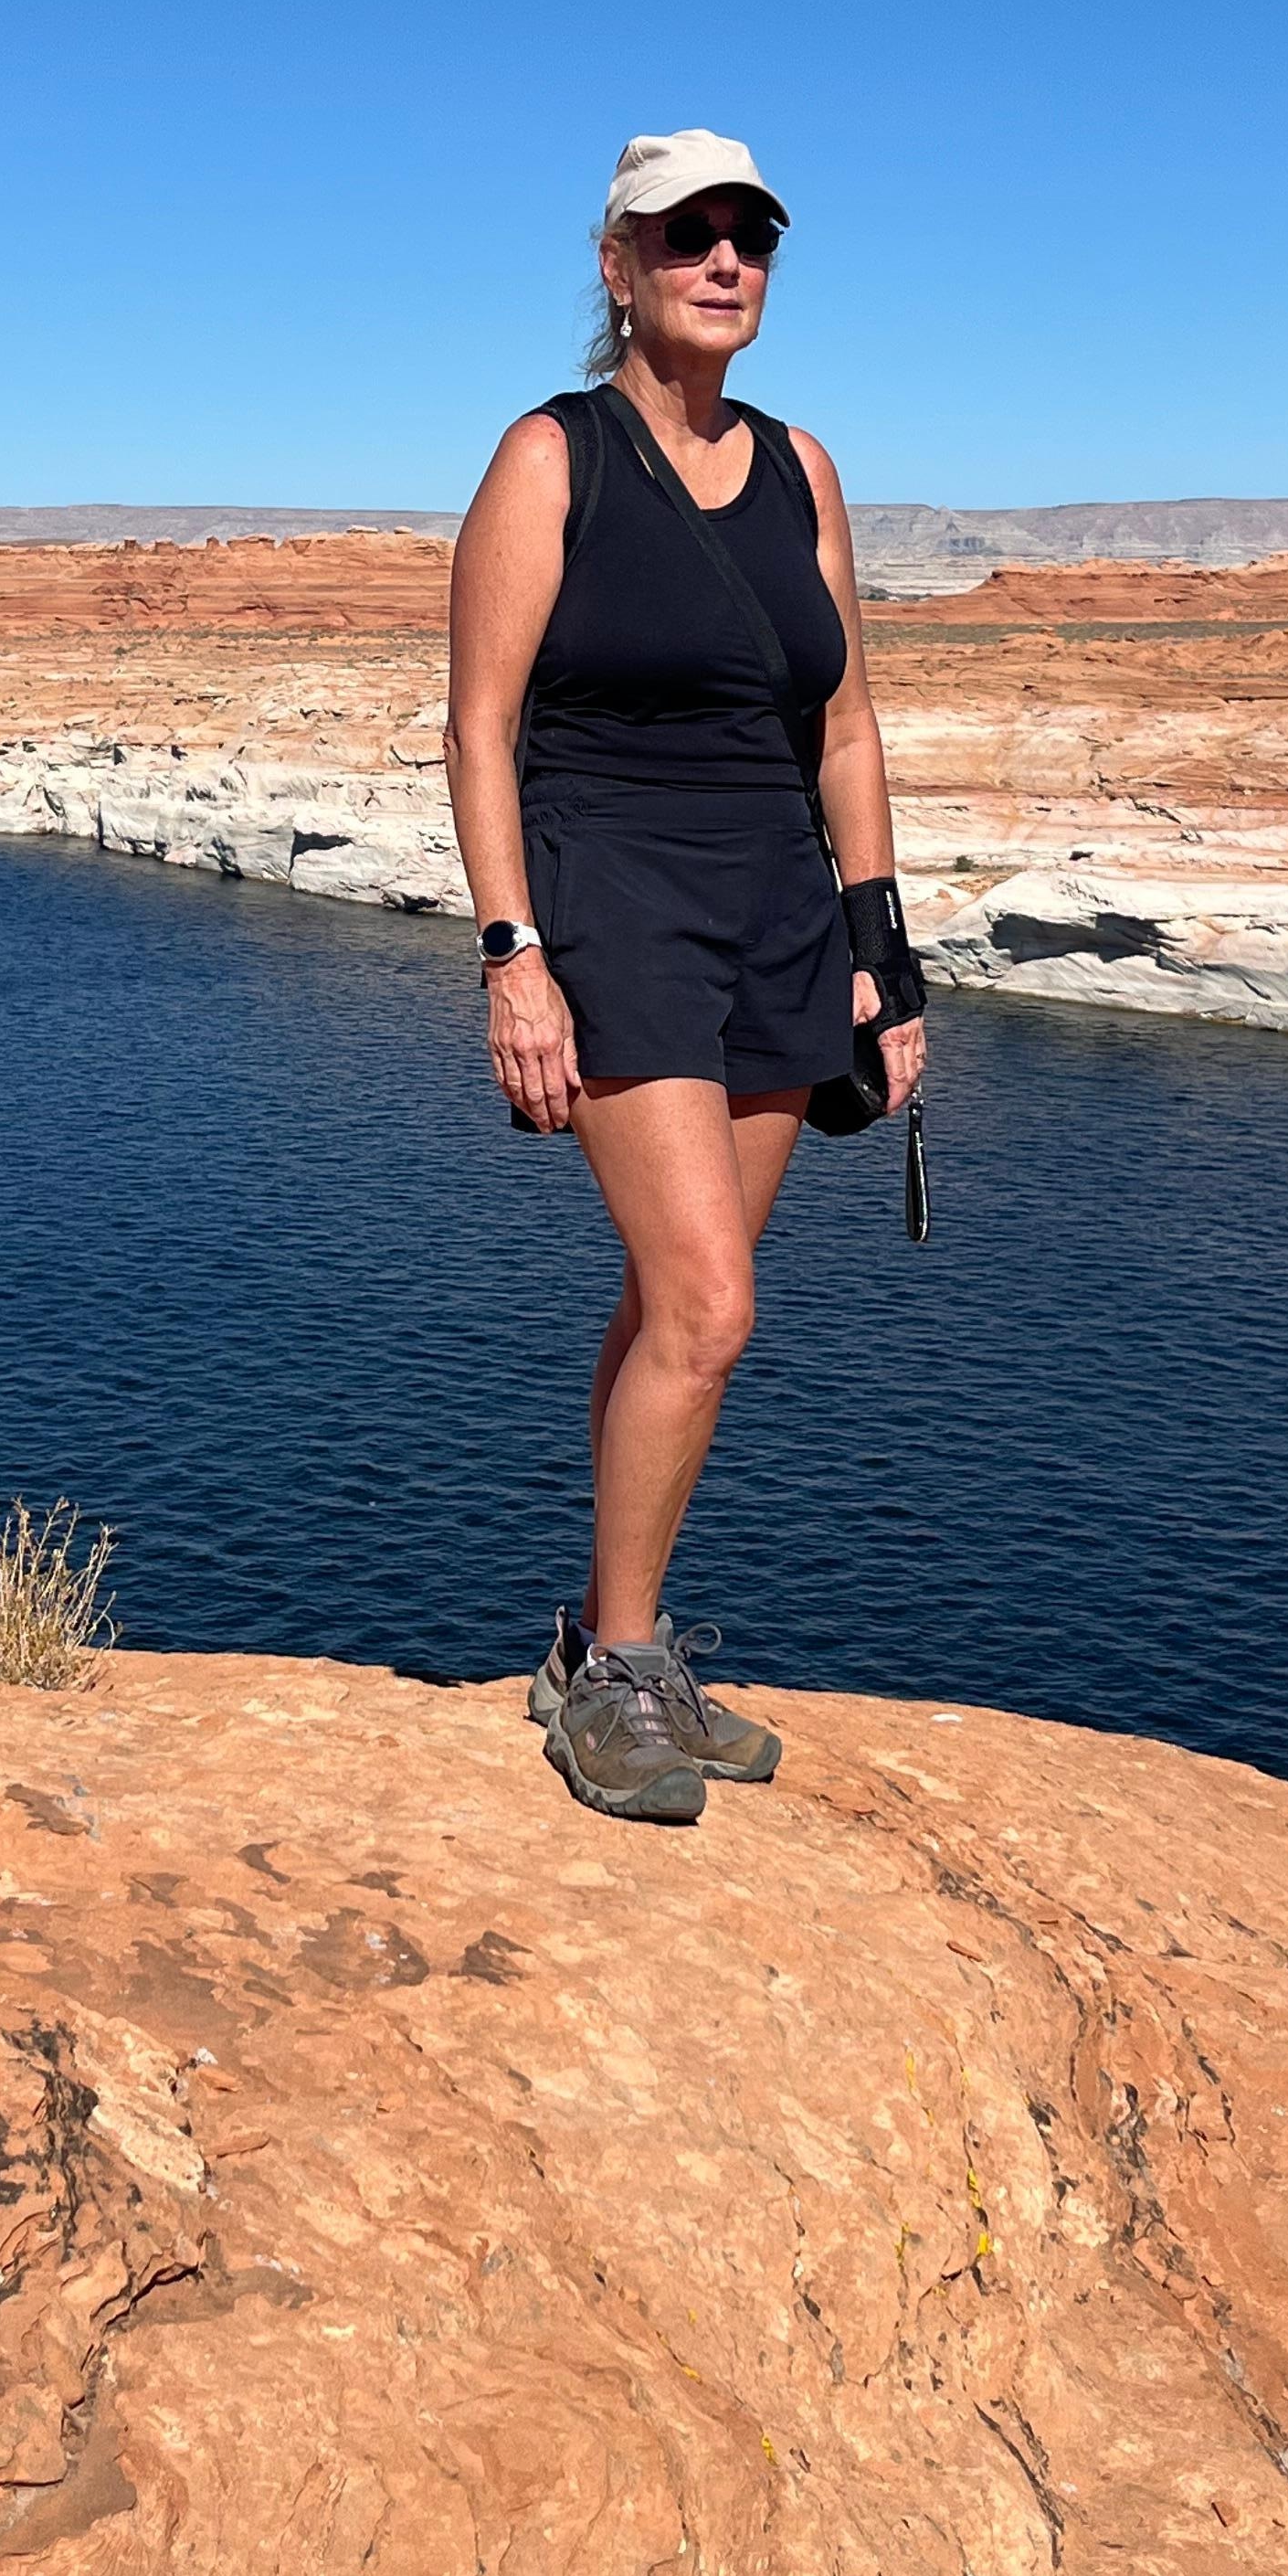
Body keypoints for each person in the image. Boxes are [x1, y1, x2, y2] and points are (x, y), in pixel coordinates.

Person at [444, 129, 928, 1824]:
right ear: (618, 266)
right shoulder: (550, 456)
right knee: (715, 1304)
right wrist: (515, 957)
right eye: (686, 237)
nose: (724, 263)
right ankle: (626, 1667)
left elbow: (846, 724)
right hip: (615, 902)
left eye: (750, 238)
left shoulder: (803, 467)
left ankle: (604, 1646)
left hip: (782, 918)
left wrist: (888, 959)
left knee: (672, 1305)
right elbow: (481, 728)